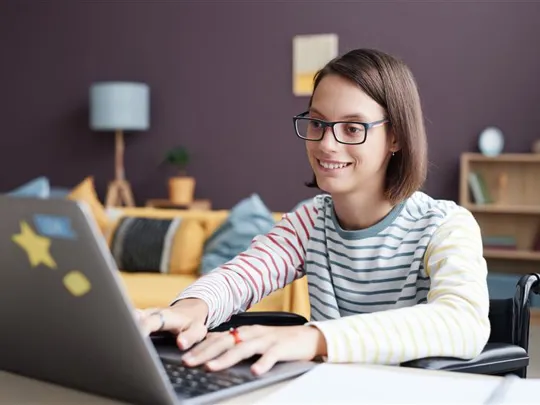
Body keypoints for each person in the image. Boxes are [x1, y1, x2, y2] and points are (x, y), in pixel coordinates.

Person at [137, 48, 491, 377]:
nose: (326, 144)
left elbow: (463, 322)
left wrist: (312, 339)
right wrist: (191, 308)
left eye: (352, 128)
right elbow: (240, 276)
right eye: (318, 123)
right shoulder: (310, 222)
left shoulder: (445, 225)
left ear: (395, 138)